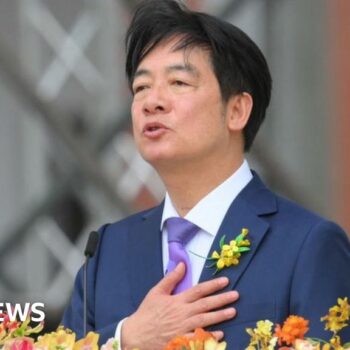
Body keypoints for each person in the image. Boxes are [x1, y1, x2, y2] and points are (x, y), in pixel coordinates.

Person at [62, 1, 350, 349]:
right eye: (141, 88)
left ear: (237, 110)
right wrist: (127, 339)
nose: (152, 101)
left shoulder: (308, 245)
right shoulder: (107, 252)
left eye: (178, 82)